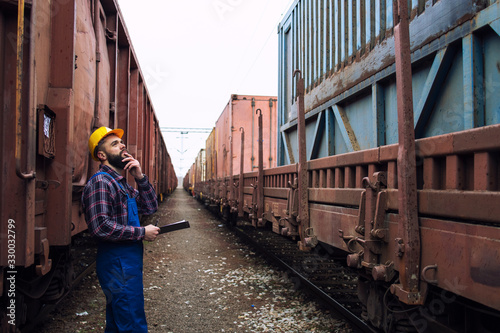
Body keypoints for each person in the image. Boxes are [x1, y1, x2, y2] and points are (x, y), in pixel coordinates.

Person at [81, 126, 160, 332]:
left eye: (121, 142)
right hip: (117, 264)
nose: (122, 145)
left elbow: (150, 206)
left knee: (119, 322)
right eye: (114, 144)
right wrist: (142, 232)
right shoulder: (101, 182)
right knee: (131, 322)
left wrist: (140, 177)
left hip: (127, 262)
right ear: (102, 155)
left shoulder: (122, 184)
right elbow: (100, 227)